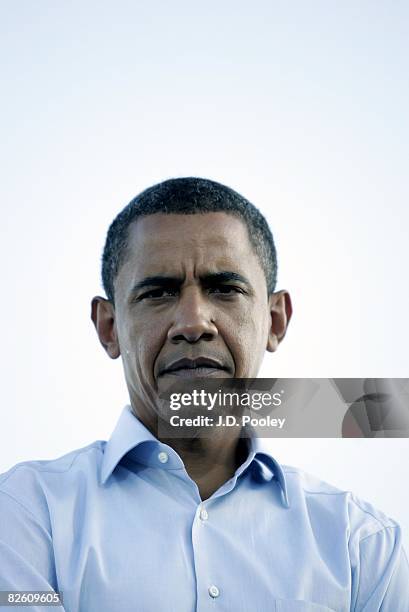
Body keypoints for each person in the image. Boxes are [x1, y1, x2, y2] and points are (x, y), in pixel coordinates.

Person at [0, 177, 408, 611]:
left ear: (275, 321)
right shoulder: (25, 513)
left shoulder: (362, 545)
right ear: (109, 327)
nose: (193, 323)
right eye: (157, 292)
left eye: (224, 289)